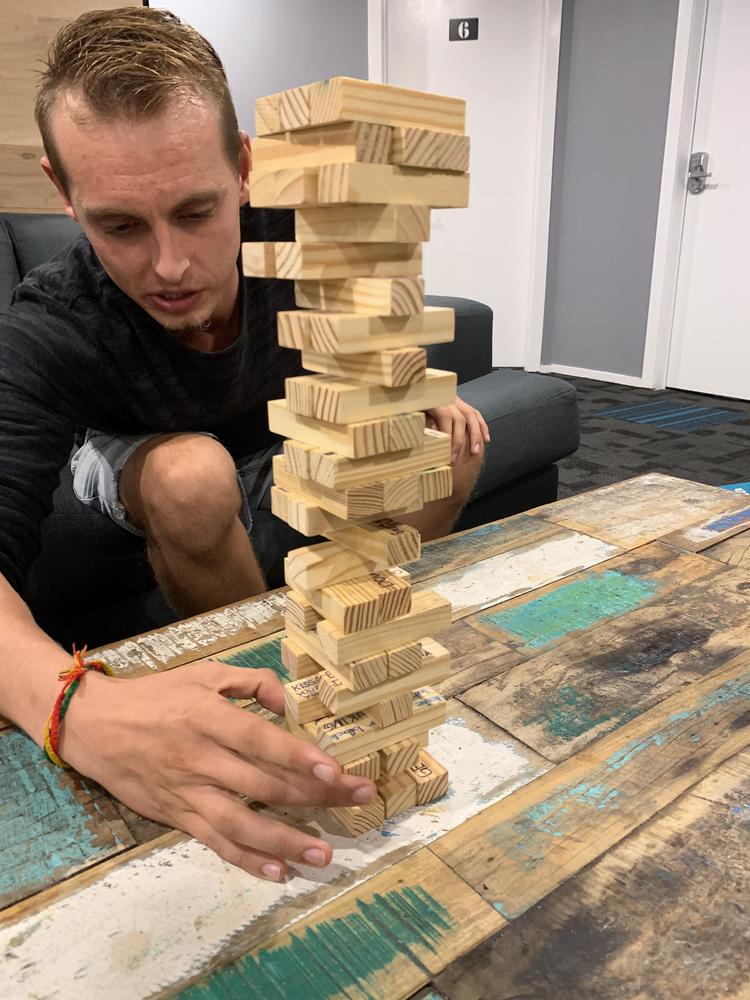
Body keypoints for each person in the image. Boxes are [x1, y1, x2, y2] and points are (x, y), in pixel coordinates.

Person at [0, 7, 488, 880]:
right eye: (120, 227)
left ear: (247, 167)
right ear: (63, 193)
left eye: (197, 211)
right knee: (194, 474)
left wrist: (409, 395)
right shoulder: (52, 323)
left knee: (432, 444)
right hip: (144, 459)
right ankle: (268, 685)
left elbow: (386, 325)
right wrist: (69, 707)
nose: (173, 266)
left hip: (275, 441)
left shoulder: (307, 239)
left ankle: (366, 670)